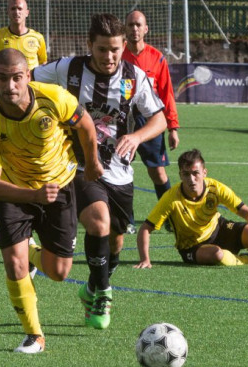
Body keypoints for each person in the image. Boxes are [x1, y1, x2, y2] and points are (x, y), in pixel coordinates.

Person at [32, 13, 167, 330]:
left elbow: (158, 119)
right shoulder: (69, 69)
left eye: (115, 50)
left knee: (116, 243)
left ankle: (92, 287)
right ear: (90, 45)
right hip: (76, 166)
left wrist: (136, 136)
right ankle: (104, 292)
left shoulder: (134, 77)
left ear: (123, 47)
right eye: (102, 49)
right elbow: (30, 77)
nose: (109, 57)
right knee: (98, 221)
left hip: (119, 172)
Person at [0, 49, 102, 353]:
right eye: (2, 79)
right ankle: (35, 335)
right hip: (14, 191)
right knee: (13, 263)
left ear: (27, 76)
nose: (10, 86)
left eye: (17, 78)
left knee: (59, 273)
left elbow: (85, 125)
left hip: (61, 186)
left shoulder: (54, 97)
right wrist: (32, 195)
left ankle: (32, 253)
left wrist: (93, 163)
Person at [122, 10, 180, 229]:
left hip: (151, 122)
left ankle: (168, 218)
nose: (134, 29)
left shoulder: (157, 58)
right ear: (125, 29)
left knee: (157, 171)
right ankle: (125, 221)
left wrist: (173, 127)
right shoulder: (117, 56)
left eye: (138, 25)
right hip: (123, 121)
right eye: (130, 25)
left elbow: (167, 93)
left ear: (146, 29)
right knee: (121, 169)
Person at [0, 0, 47, 116]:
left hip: (32, 96)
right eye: (13, 9)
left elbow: (44, 67)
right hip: (7, 95)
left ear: (27, 12)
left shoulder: (38, 38)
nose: (16, 12)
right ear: (8, 12)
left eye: (20, 9)